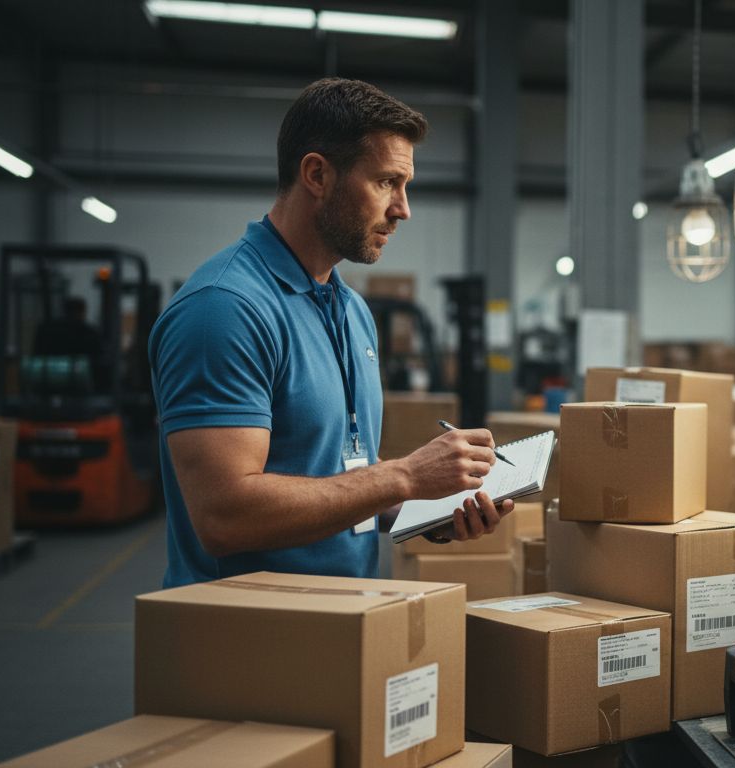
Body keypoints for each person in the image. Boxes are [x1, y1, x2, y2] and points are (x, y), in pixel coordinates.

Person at [150, 78, 510, 587]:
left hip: (345, 617)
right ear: (317, 174)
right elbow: (224, 516)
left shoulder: (351, 310)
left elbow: (340, 480)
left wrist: (433, 509)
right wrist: (403, 475)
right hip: (245, 627)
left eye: (405, 186)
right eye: (386, 182)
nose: (403, 209)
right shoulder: (224, 309)